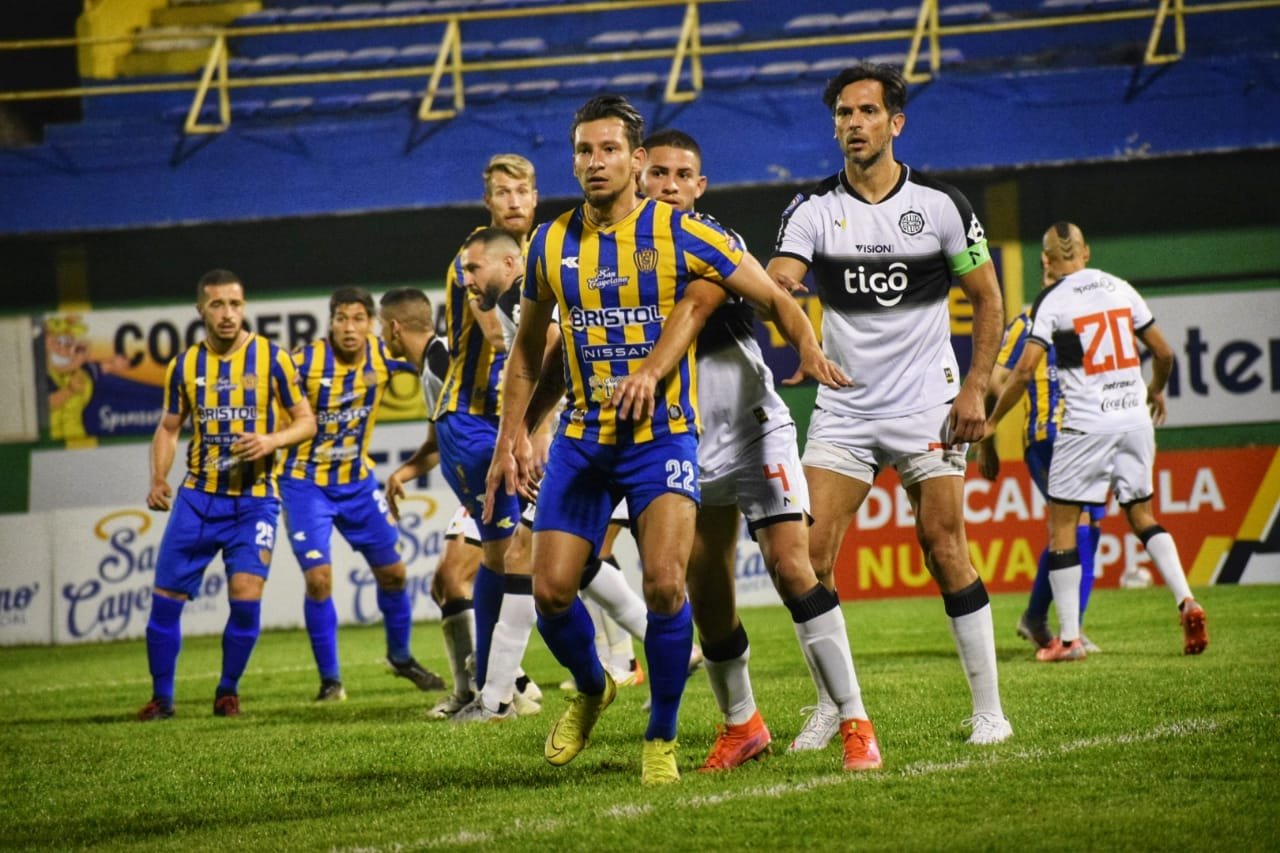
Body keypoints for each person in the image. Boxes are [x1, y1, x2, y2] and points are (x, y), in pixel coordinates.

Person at [484, 94, 849, 784]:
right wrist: (515, 437)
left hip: (662, 439)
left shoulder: (681, 232)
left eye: (609, 150)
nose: (596, 163)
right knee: (552, 591)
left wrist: (806, 344)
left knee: (663, 585)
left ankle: (662, 736)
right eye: (585, 151)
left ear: (637, 159)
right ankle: (594, 686)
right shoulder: (550, 243)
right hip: (584, 443)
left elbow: (773, 294)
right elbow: (529, 353)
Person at [767, 62, 1012, 746]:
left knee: (944, 546)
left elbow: (988, 299)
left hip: (928, 406)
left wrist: (975, 386)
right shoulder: (812, 209)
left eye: (867, 112)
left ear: (894, 123)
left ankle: (989, 709)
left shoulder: (940, 206)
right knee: (807, 558)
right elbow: (782, 281)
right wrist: (796, 325)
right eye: (843, 114)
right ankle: (831, 704)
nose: (853, 124)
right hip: (846, 409)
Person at [638, 128, 881, 772]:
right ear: (640, 176)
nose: (668, 185)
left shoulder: (714, 242)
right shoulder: (609, 256)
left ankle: (855, 719)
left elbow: (778, 299)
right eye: (658, 173)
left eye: (681, 175)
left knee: (791, 567)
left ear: (699, 186)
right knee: (706, 587)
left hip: (752, 428)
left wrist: (805, 343)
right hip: (681, 436)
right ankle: (742, 723)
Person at [984, 221, 1209, 659]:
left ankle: (1068, 639)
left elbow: (1025, 369)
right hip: (1133, 420)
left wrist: (993, 424)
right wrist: (1154, 389)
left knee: (1065, 526)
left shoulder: (1051, 301)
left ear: (1047, 261)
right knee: (1142, 515)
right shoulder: (1119, 287)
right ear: (1086, 252)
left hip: (1085, 424)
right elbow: (1164, 353)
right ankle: (1187, 600)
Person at [138, 268, 317, 721]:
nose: (227, 313)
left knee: (244, 596)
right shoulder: (184, 365)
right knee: (165, 602)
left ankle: (227, 691)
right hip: (198, 500)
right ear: (201, 309)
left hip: (255, 500)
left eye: (235, 304)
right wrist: (158, 478)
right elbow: (168, 427)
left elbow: (306, 420)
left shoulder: (272, 358)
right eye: (217, 304)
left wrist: (272, 441)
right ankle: (162, 699)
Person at [379, 286, 541, 720]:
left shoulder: (442, 358)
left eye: (380, 327)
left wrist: (515, 452)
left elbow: (499, 408)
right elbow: (437, 442)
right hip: (479, 479)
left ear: (393, 328)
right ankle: (488, 687)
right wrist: (403, 472)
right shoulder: (431, 367)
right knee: (448, 583)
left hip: (493, 473)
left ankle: (502, 688)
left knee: (500, 578)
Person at [280, 287, 445, 703]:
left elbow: (432, 362)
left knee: (395, 574)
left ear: (372, 323)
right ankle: (331, 681)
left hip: (356, 482)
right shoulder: (302, 362)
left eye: (358, 318)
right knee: (319, 580)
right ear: (330, 322)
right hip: (305, 485)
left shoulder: (383, 355)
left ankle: (401, 657)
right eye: (341, 318)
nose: (349, 327)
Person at [431, 156, 545, 723]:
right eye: (502, 192)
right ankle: (498, 688)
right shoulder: (479, 261)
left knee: (509, 556)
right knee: (520, 554)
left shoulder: (540, 253)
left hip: (497, 426)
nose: (514, 201)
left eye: (522, 191)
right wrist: (528, 432)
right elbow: (507, 343)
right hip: (482, 426)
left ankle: (498, 685)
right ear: (489, 203)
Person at [977, 264, 1107, 654]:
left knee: (1087, 529)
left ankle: (1037, 618)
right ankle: (1072, 631)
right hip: (1046, 436)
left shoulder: (1090, 322)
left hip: (1088, 435)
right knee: (1076, 524)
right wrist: (988, 442)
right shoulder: (1025, 324)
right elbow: (994, 382)